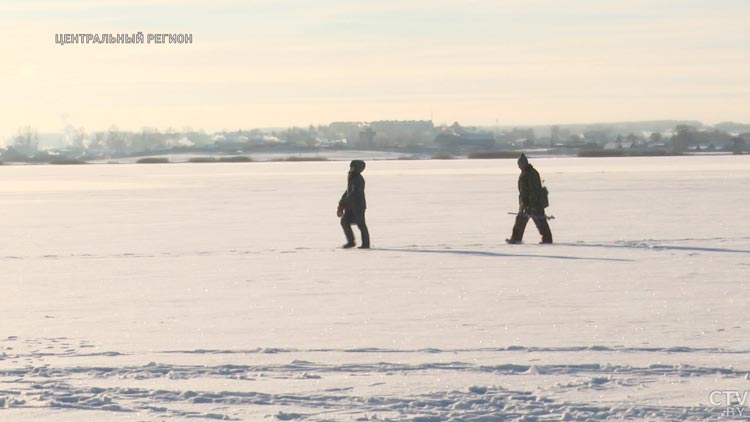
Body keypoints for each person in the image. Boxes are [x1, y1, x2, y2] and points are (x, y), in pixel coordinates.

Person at [507, 154, 553, 244]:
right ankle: (516, 239)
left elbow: (533, 190)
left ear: (524, 163)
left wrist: (532, 205)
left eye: (519, 164)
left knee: (540, 221)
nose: (518, 166)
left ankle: (547, 239)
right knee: (520, 221)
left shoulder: (531, 173)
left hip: (534, 203)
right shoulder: (524, 173)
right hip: (525, 203)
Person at [337, 160, 370, 249]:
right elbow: (348, 191)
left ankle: (366, 244)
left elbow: (355, 193)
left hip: (358, 205)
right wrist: (343, 199)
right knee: (344, 222)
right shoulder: (351, 177)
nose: (351, 168)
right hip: (350, 205)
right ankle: (351, 242)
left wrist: (345, 201)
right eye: (350, 167)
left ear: (358, 168)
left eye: (353, 167)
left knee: (361, 224)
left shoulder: (359, 179)